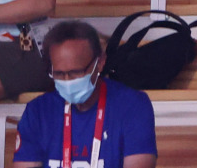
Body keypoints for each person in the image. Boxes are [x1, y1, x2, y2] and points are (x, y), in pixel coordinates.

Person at [14, 20, 157, 168]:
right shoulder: (37, 111)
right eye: (59, 74)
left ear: (100, 62)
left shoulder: (133, 106)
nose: (67, 81)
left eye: (76, 72)